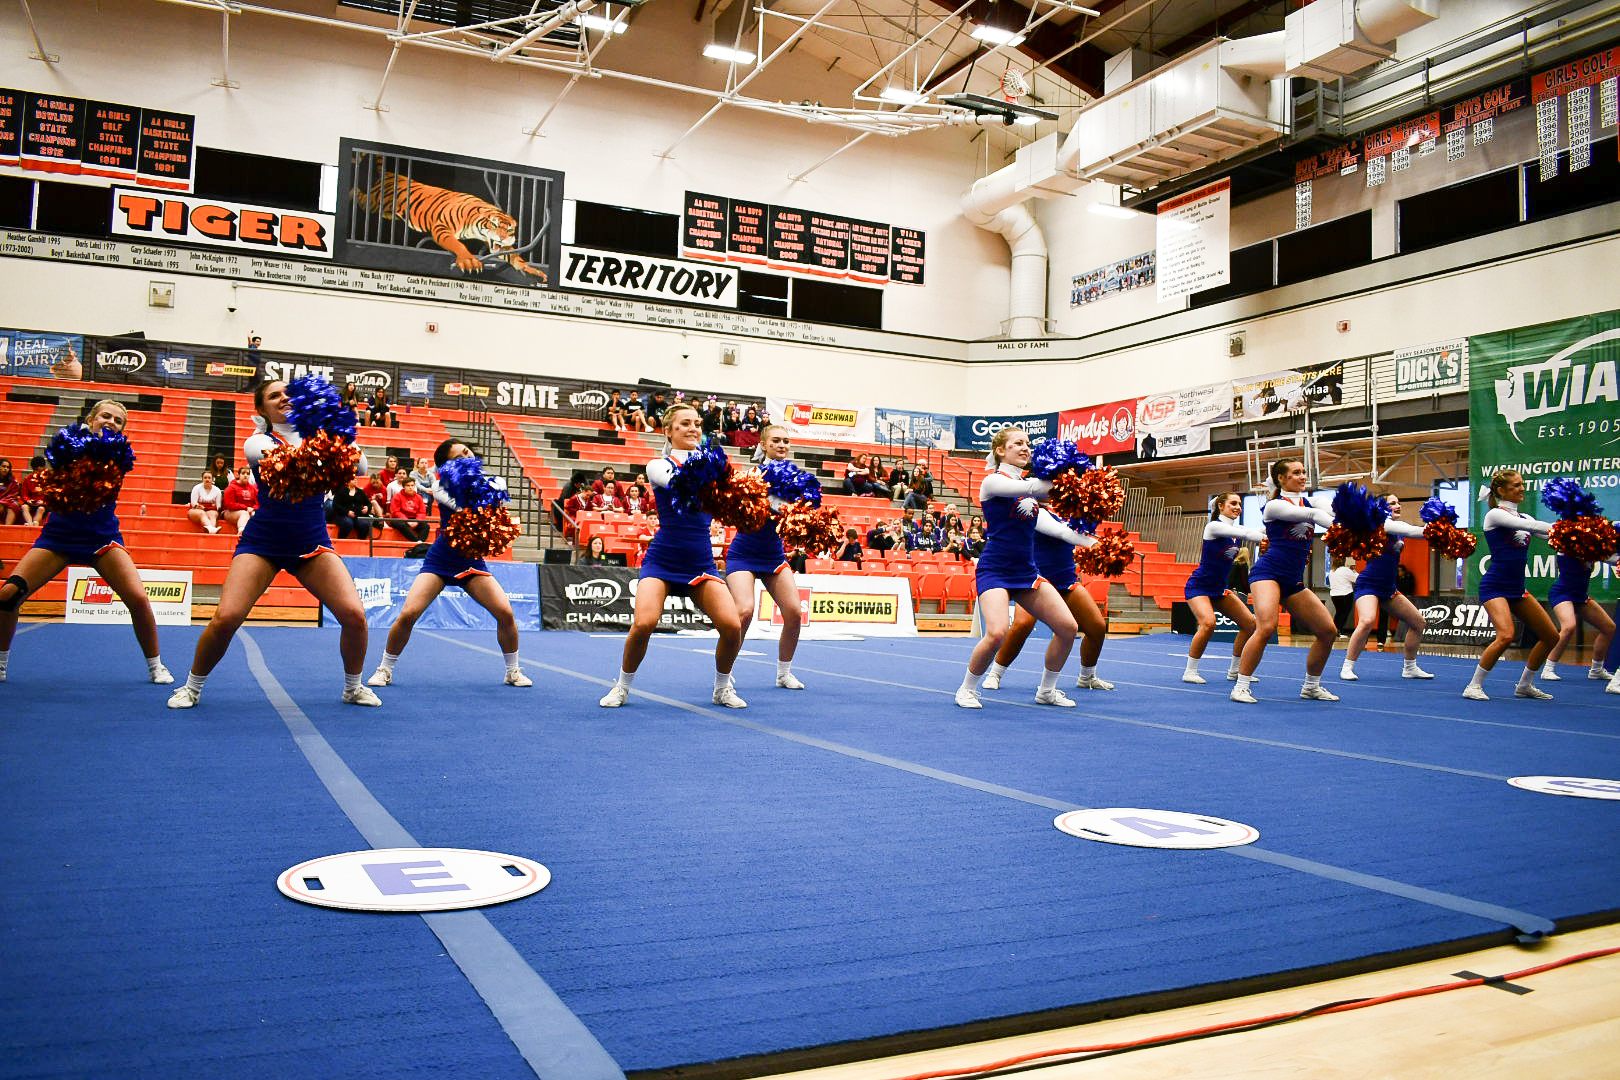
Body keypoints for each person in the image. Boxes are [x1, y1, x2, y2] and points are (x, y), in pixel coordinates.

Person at [168, 379, 378, 709]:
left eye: (288, 393)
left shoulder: (318, 434)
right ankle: (192, 686)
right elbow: (296, 462)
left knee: (354, 615)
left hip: (311, 542)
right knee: (227, 617)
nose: (283, 398)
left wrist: (329, 426)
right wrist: (326, 432)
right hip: (263, 543)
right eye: (273, 395)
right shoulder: (258, 442)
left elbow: (361, 466)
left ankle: (353, 687)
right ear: (261, 408)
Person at [0, 400, 172, 685]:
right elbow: (58, 466)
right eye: (106, 416)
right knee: (9, 594)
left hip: (101, 539)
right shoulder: (67, 446)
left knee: (139, 599)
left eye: (118, 420)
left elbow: (98, 467)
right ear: (91, 419)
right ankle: (1, 662)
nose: (111, 422)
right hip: (58, 538)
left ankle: (156, 665)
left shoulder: (117, 454)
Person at [599, 403, 747, 709]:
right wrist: (722, 476)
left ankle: (722, 687)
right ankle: (622, 686)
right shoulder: (658, 465)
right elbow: (682, 484)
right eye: (685, 423)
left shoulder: (713, 467)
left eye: (697, 424)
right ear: (668, 431)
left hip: (700, 563)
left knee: (732, 626)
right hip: (663, 560)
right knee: (644, 623)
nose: (693, 428)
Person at [368, 439, 531, 689]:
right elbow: (465, 508)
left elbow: (495, 508)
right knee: (409, 614)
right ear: (446, 466)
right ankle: (384, 669)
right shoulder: (440, 485)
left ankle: (513, 671)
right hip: (441, 560)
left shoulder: (493, 482)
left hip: (471, 562)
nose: (466, 457)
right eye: (457, 457)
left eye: (466, 452)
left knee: (506, 614)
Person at [955, 426, 1078, 709]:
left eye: (1028, 443)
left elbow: (1054, 519)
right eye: (1018, 443)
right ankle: (966, 689)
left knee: (1067, 627)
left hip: (1026, 572)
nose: (1026, 448)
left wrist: (1092, 540)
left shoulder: (1028, 490)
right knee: (997, 633)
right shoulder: (992, 482)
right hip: (995, 570)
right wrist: (1066, 480)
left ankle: (1047, 691)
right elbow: (1035, 487)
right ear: (1001, 450)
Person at [1231, 459, 1339, 704]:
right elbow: (1315, 516)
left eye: (1303, 472)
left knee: (1327, 631)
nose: (1302, 476)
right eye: (1296, 473)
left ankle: (1311, 687)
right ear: (1281, 478)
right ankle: (1241, 686)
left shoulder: (1312, 501)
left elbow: (1333, 510)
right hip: (1267, 574)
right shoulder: (1274, 506)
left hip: (1292, 580)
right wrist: (1342, 530)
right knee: (1266, 627)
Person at [980, 506, 1110, 694]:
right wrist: (1093, 543)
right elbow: (1062, 533)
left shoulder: (1072, 513)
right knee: (1022, 624)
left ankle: (1087, 676)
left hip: (1065, 580)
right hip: (1036, 581)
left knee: (1097, 627)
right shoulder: (1036, 511)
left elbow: (1078, 532)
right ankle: (995, 673)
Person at [724, 423, 809, 691]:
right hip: (744, 554)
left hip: (773, 556)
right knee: (744, 612)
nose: (782, 445)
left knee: (794, 612)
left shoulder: (796, 479)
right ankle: (724, 674)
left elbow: (800, 515)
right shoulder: (753, 475)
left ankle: (784, 673)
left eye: (786, 441)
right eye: (776, 440)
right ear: (763, 444)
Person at [1462, 470, 1560, 701]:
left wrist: (1582, 534)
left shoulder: (1525, 518)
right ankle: (1473, 686)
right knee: (1506, 635)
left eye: (1522, 484)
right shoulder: (1495, 515)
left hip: (1516, 589)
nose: (1522, 488)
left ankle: (1524, 686)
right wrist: (1562, 528)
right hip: (1495, 586)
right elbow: (1538, 526)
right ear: (1501, 490)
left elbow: (1551, 536)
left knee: (1551, 636)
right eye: (1516, 485)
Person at [1340, 494, 1433, 681]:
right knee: (1367, 621)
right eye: (1392, 503)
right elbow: (1415, 531)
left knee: (1418, 623)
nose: (1398, 506)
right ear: (1381, 508)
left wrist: (1439, 528)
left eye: (1398, 502)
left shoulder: (1397, 528)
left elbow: (1414, 531)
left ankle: (1410, 667)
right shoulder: (1383, 524)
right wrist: (1438, 530)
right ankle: (1347, 667)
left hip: (1388, 587)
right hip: (1369, 584)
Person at [1180, 492, 1264, 684]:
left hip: (1220, 588)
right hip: (1200, 586)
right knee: (1208, 623)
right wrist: (1263, 538)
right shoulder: (1213, 527)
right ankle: (1190, 671)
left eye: (1239, 504)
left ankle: (1235, 670)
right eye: (1233, 503)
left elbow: (1258, 529)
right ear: (1220, 506)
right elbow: (1248, 534)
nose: (1238, 507)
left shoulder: (1235, 531)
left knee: (1250, 624)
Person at [1540, 553, 1616, 682]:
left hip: (1580, 597)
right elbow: (1551, 539)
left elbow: (1610, 557)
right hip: (1562, 594)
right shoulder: (1566, 546)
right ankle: (1548, 668)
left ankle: (1596, 670)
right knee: (1569, 627)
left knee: (1609, 628)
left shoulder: (1594, 548)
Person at [3, 456, 48, 527]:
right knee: (24, 507)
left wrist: (43, 502)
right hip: (31, 502)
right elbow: (24, 494)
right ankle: (30, 523)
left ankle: (35, 522)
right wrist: (28, 500)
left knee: (41, 509)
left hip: (43, 504)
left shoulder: (48, 480)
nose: (37, 473)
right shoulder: (27, 479)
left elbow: (50, 495)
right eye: (35, 471)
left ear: (44, 468)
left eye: (40, 471)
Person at [387, 474, 431, 542]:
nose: (410, 487)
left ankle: (420, 542)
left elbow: (422, 512)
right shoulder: (397, 496)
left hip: (414, 519)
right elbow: (396, 512)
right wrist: (407, 521)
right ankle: (416, 541)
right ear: (403, 487)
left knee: (426, 526)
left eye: (412, 485)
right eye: (408, 485)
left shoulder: (419, 497)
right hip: (400, 519)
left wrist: (417, 521)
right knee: (401, 525)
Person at [329, 474, 374, 539]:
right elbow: (335, 505)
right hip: (343, 515)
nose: (355, 480)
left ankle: (361, 541)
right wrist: (347, 512)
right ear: (347, 482)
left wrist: (367, 509)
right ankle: (341, 539)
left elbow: (368, 503)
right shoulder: (341, 491)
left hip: (358, 515)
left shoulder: (360, 492)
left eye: (356, 479)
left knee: (365, 524)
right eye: (353, 479)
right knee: (348, 523)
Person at [221, 465, 258, 534]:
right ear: (238, 475)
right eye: (243, 473)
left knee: (257, 514)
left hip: (249, 511)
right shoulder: (231, 488)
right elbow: (229, 505)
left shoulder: (253, 488)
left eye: (247, 474)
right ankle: (241, 532)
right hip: (230, 512)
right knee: (244, 513)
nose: (245, 475)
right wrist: (246, 508)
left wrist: (253, 509)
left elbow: (258, 502)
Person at [1328, 557, 1358, 635]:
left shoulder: (1332, 571)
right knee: (1344, 613)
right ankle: (1339, 630)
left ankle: (1334, 630)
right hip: (1346, 594)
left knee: (1339, 613)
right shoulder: (1345, 570)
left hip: (1334, 595)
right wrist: (1354, 571)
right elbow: (1356, 579)